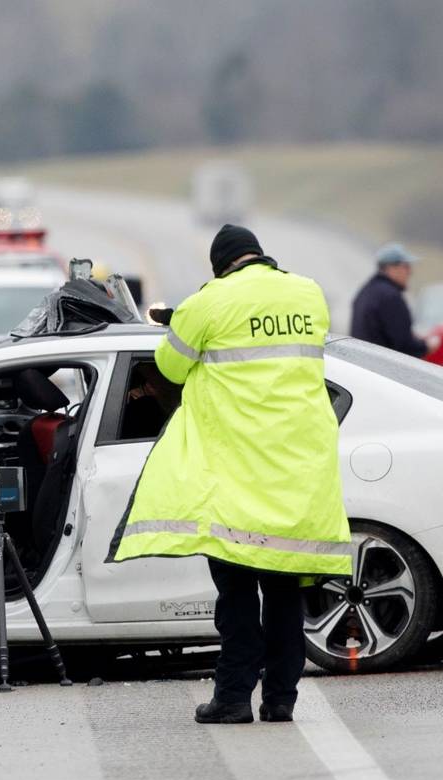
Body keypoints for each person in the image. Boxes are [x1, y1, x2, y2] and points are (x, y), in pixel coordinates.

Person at [107, 224, 351, 724]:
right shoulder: (309, 294)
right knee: (284, 596)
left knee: (237, 599)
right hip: (297, 470)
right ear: (259, 255)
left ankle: (234, 698)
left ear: (219, 265)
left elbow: (170, 367)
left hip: (237, 476)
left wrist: (182, 323)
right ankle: (281, 700)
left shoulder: (209, 301)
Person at [350, 242, 439, 356]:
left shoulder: (366, 291)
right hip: (381, 365)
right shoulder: (390, 297)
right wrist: (427, 346)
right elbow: (404, 345)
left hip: (363, 361)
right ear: (390, 268)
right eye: (406, 266)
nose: (410, 272)